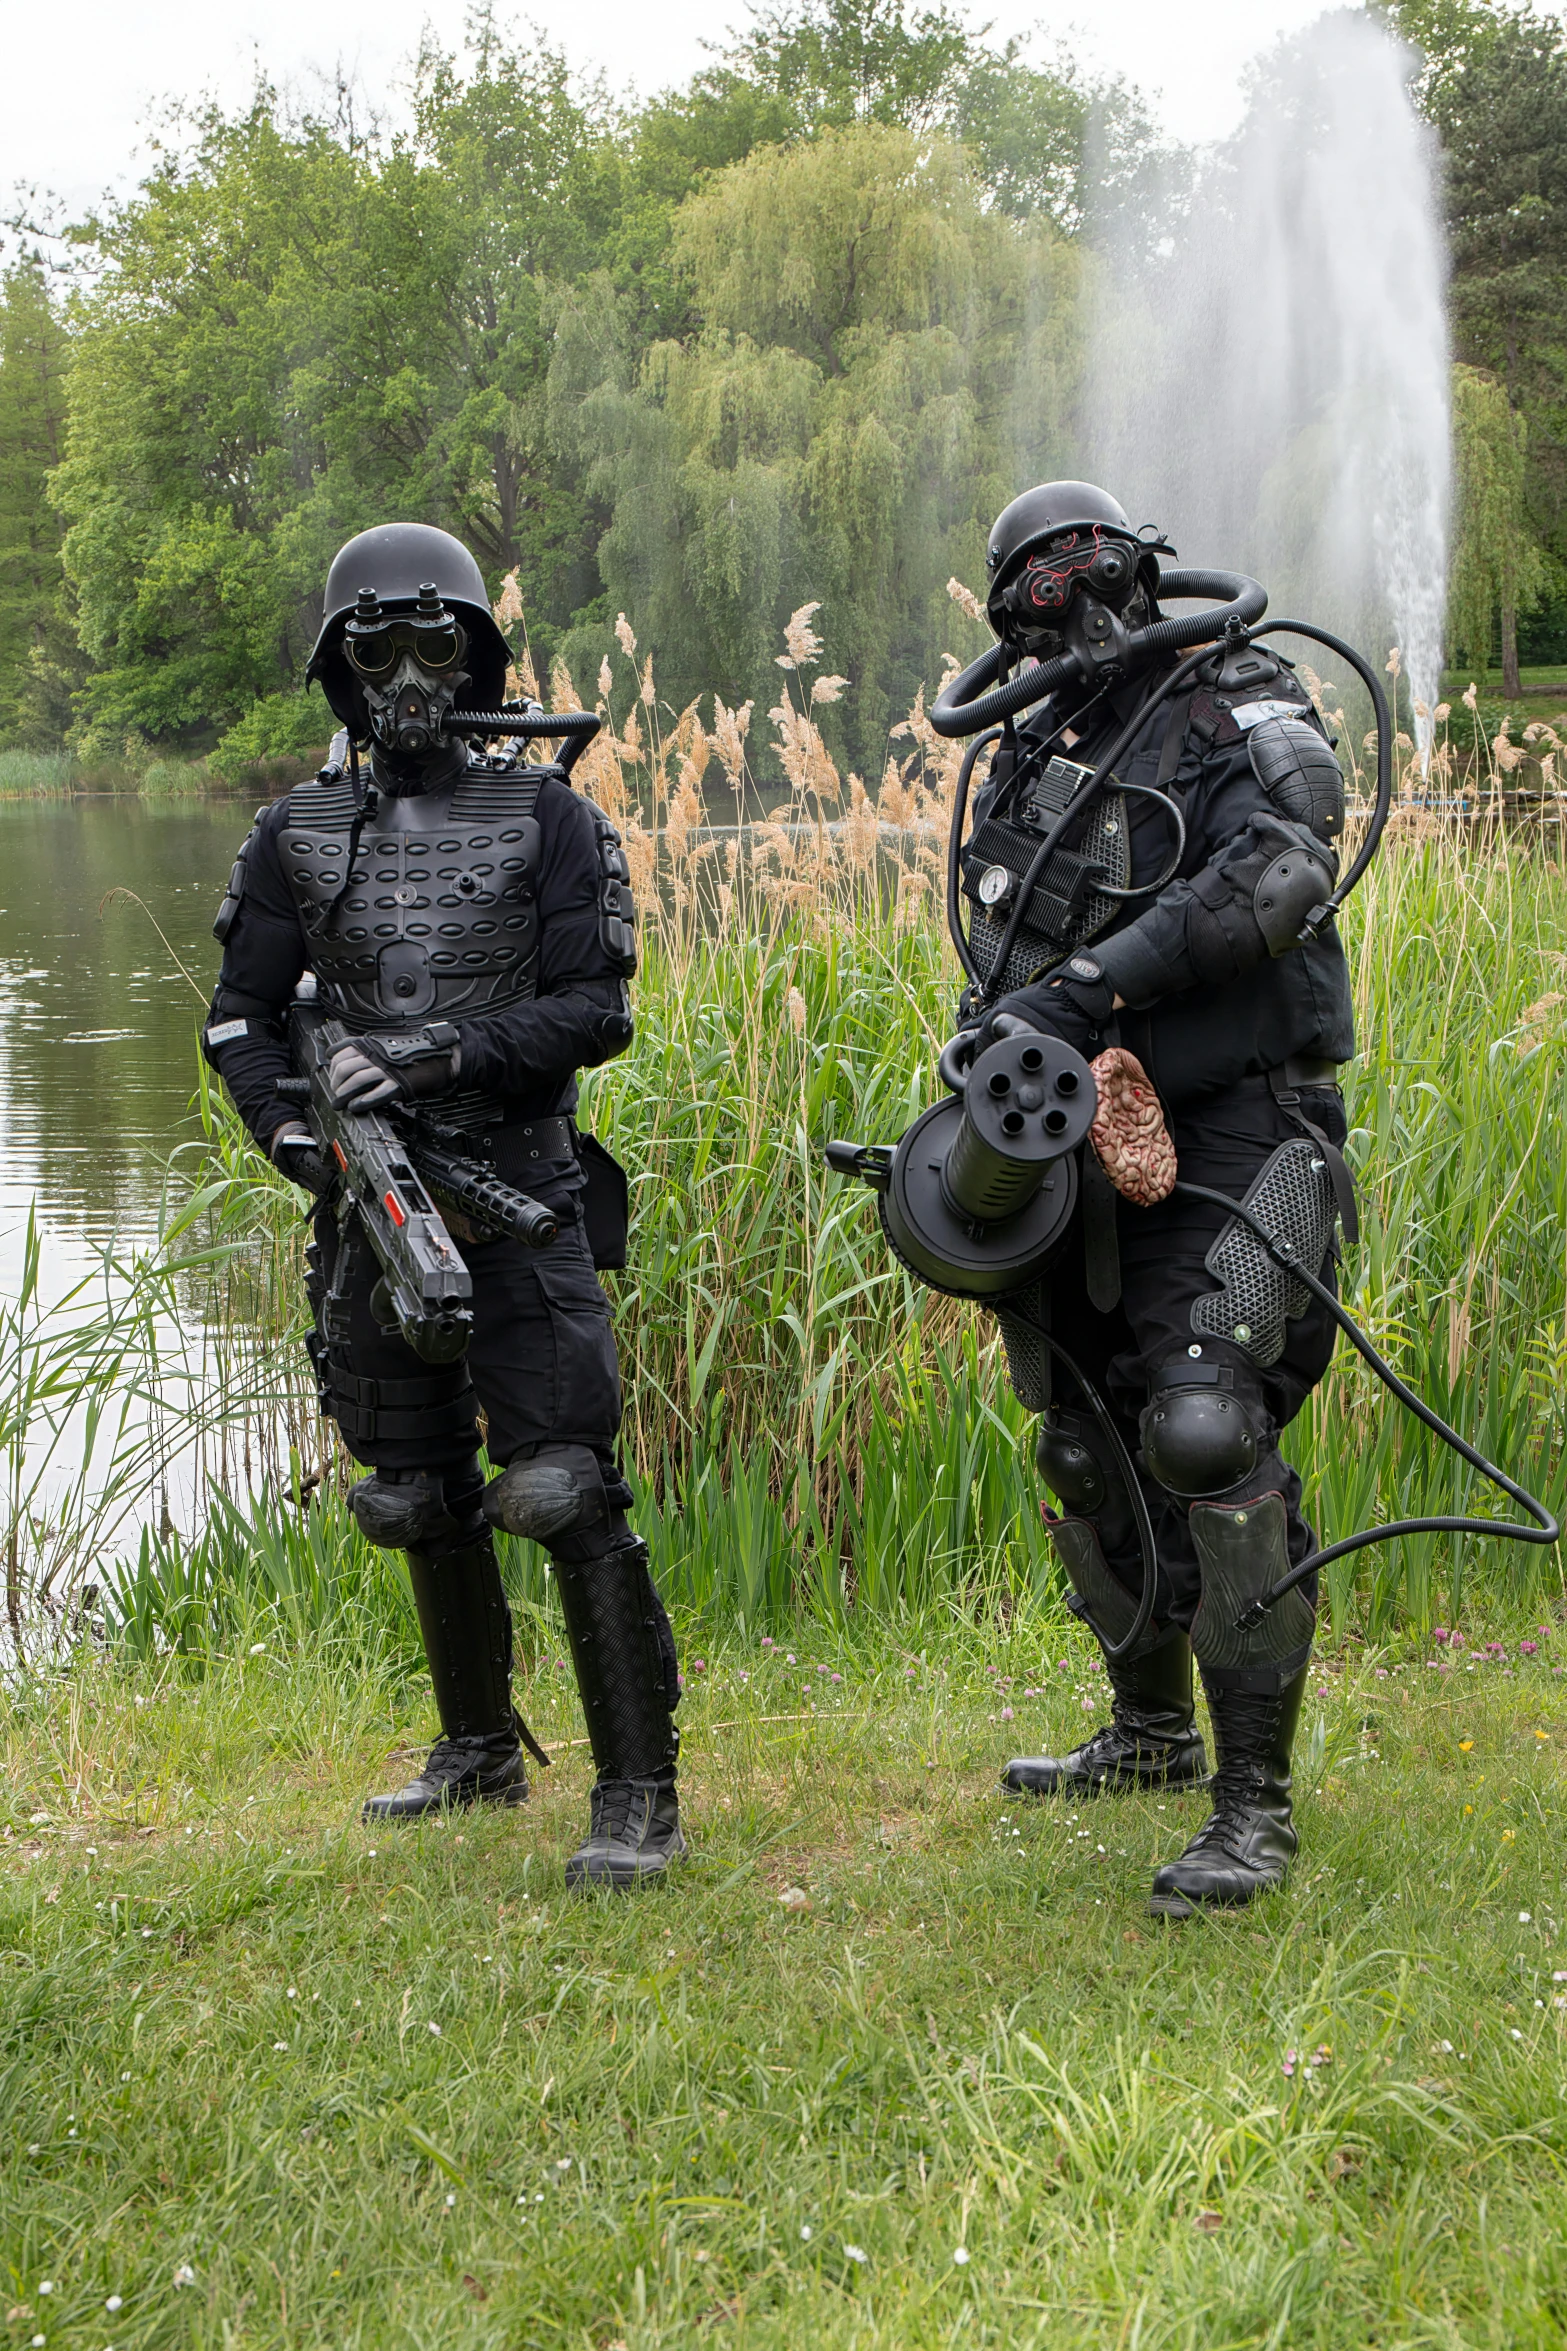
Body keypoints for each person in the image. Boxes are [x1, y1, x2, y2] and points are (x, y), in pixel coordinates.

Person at [202, 522, 684, 1888]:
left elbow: (599, 1011)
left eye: (434, 644)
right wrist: (301, 1144)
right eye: (378, 648)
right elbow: (239, 1019)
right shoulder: (292, 830)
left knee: (559, 1484)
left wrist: (433, 1056)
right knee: (411, 1492)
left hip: (517, 1188)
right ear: (338, 670)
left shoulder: (550, 817)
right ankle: (475, 1749)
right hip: (367, 1207)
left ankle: (639, 1793)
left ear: (475, 655)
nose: (408, 673)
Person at [963, 482, 1354, 1918]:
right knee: (1079, 1437)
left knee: (1200, 1422)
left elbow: (1283, 869)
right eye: (1042, 587)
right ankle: (1144, 1731)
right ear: (1013, 618)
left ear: (1139, 569)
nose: (1077, 603)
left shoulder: (1241, 695)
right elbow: (1000, 954)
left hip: (1240, 1120)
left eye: (1094, 572)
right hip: (1069, 1144)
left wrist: (1094, 985)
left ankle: (1250, 1807)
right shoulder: (1029, 760)